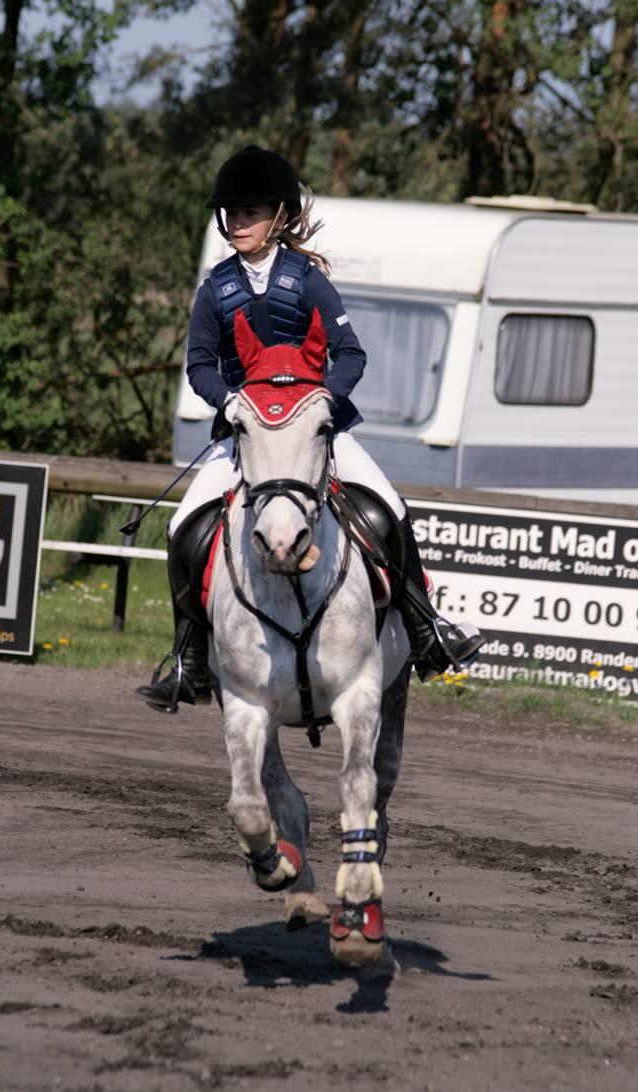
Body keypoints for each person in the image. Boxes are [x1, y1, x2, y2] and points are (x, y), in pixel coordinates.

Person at [137, 145, 484, 711]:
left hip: (316, 431)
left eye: (250, 212)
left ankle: (428, 631)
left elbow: (350, 353)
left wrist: (324, 401)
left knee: (390, 509)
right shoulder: (214, 288)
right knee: (182, 528)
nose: (237, 223)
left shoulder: (309, 281)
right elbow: (198, 363)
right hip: (244, 436)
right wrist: (227, 403)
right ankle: (189, 656)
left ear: (279, 216)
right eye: (231, 213)